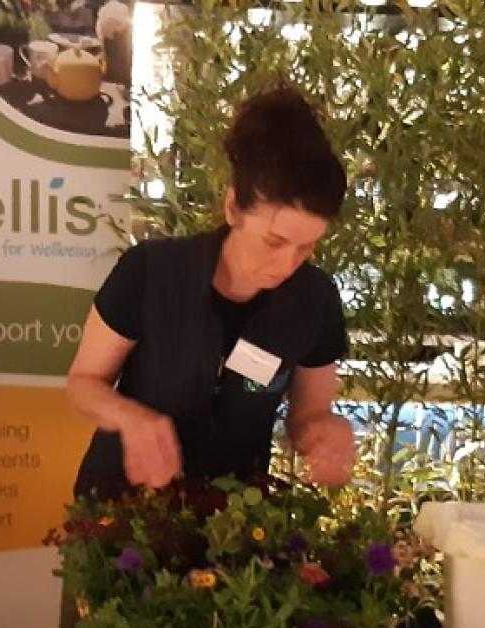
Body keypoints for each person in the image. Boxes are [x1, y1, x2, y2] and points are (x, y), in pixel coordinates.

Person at [67, 85, 355, 499]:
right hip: (125, 508)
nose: (287, 264)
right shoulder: (151, 272)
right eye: (274, 241)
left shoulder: (315, 301)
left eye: (306, 247)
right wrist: (131, 418)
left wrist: (325, 432)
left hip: (234, 519)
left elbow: (308, 415)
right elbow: (83, 384)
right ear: (233, 207)